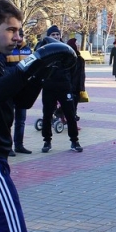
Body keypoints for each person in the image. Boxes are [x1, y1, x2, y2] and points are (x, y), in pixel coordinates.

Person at [0, 0, 76, 232]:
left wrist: (43, 70)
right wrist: (33, 63)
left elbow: (20, 101)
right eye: (10, 30)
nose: (17, 37)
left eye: (19, 31)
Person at [40, 25, 83, 153]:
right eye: (53, 35)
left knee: (70, 114)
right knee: (47, 114)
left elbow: (73, 68)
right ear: (48, 36)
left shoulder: (66, 50)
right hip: (49, 87)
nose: (56, 37)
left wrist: (69, 83)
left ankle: (74, 141)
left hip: (64, 87)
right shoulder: (43, 49)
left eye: (57, 34)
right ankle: (47, 141)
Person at [5, 28, 32, 156]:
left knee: (21, 120)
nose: (19, 38)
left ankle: (19, 145)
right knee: (8, 119)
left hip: (23, 89)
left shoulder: (28, 50)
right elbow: (3, 68)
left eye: (21, 35)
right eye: (17, 35)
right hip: (10, 88)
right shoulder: (8, 49)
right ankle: (8, 147)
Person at [67, 38, 86, 129]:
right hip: (71, 86)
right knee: (70, 106)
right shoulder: (70, 58)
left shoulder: (79, 57)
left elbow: (82, 75)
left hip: (78, 86)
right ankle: (72, 124)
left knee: (74, 105)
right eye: (76, 44)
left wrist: (82, 87)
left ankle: (72, 122)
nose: (78, 45)